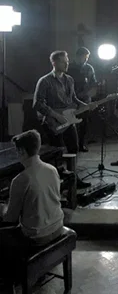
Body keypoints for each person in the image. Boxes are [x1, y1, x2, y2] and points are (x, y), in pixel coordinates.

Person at [0, 130, 64, 268]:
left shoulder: (21, 179)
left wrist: (3, 208)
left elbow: (10, 219)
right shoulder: (52, 169)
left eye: (17, 151)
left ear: (22, 151)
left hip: (36, 237)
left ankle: (9, 275)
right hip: (58, 226)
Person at [33, 50, 92, 189]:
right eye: (63, 61)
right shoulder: (45, 81)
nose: (66, 64)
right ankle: (56, 182)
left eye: (67, 61)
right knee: (57, 153)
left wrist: (86, 105)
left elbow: (73, 99)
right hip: (53, 123)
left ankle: (73, 178)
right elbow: (37, 103)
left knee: (73, 148)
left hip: (69, 121)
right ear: (54, 63)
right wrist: (56, 115)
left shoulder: (69, 79)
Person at [67, 46, 97, 152]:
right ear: (77, 56)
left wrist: (88, 94)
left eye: (87, 58)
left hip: (85, 99)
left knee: (84, 123)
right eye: (84, 57)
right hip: (72, 100)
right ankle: (71, 145)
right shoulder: (69, 68)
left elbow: (93, 83)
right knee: (71, 123)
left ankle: (81, 144)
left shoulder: (89, 68)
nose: (85, 59)